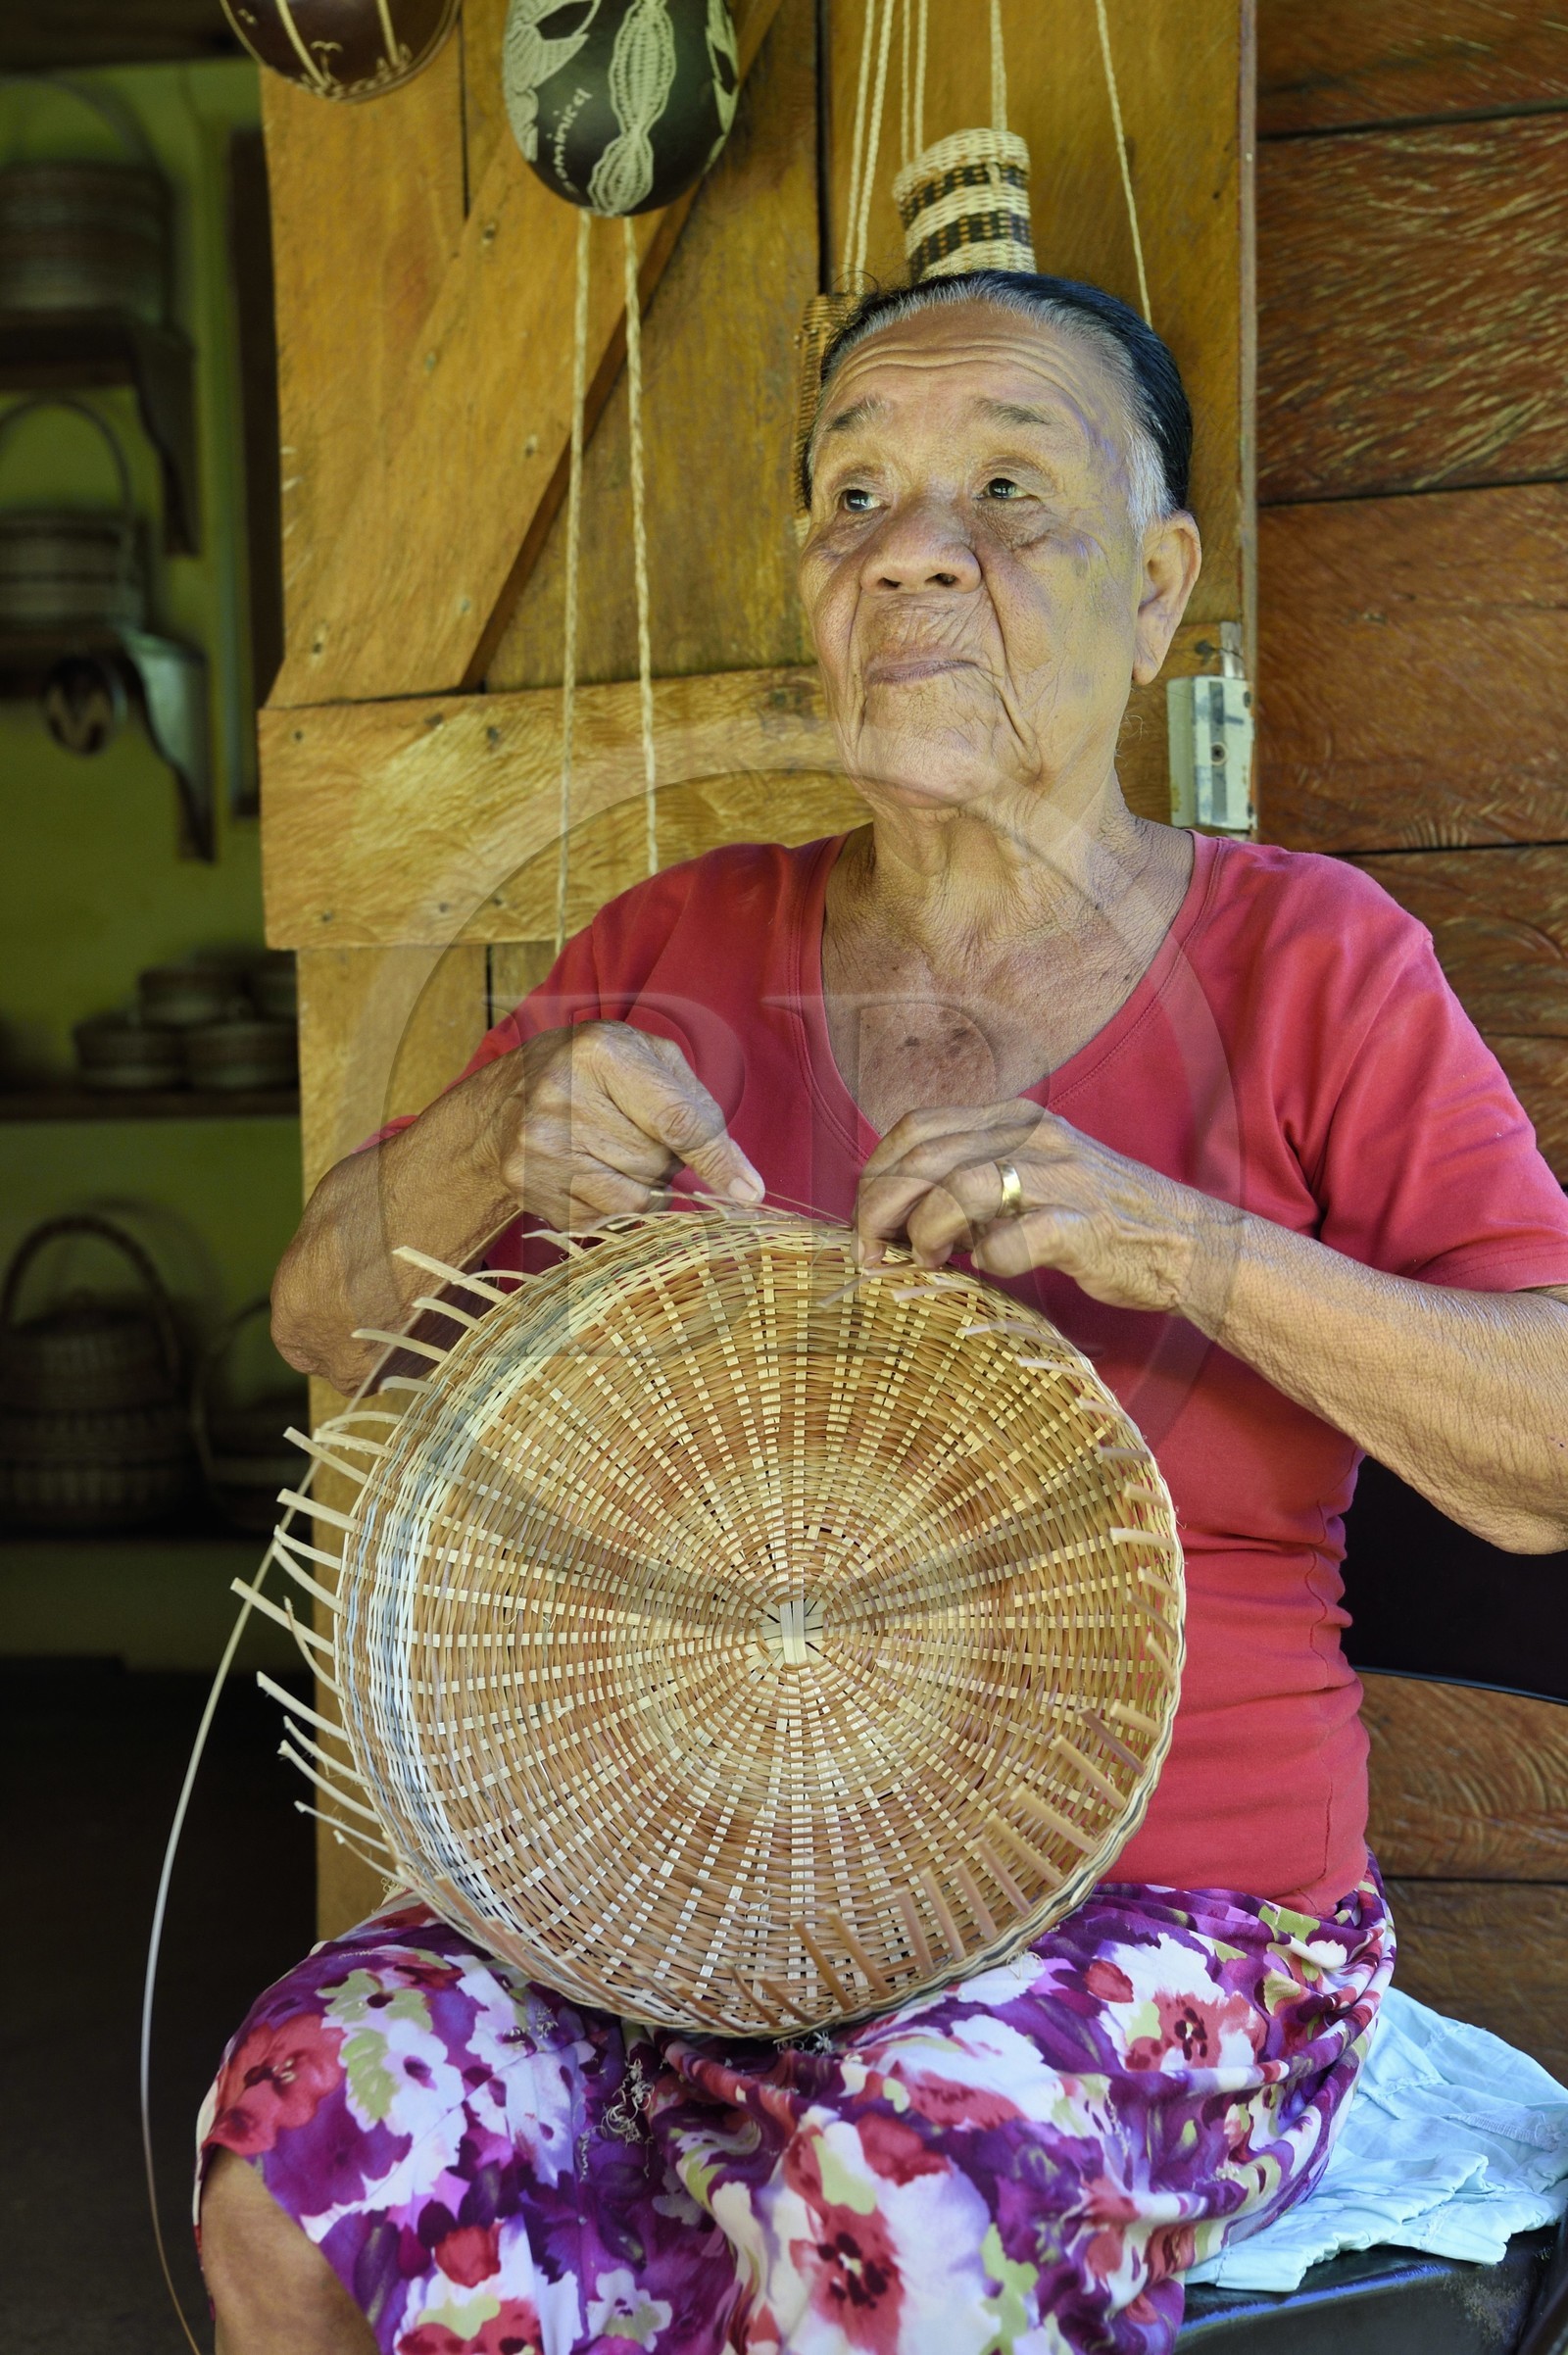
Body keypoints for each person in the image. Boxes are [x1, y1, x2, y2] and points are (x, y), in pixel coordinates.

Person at [199, 271, 1568, 2355]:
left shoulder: (1308, 961)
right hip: (662, 1898)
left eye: (1009, 487)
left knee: (890, 2196)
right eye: (853, 489)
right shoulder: (680, 935)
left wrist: (1180, 1244)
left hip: (1163, 1911)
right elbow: (320, 1316)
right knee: (303, 2141)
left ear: (1155, 583)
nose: (907, 544)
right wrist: (491, 1135)